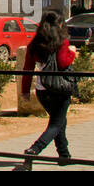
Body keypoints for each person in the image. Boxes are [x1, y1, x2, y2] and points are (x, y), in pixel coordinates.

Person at [18, 11, 76, 170]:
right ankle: (34, 150)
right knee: (56, 123)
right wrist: (73, 53)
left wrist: (24, 91)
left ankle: (64, 155)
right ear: (60, 24)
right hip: (60, 89)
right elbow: (63, 63)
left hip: (43, 90)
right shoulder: (62, 41)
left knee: (58, 121)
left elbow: (27, 69)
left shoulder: (35, 43)